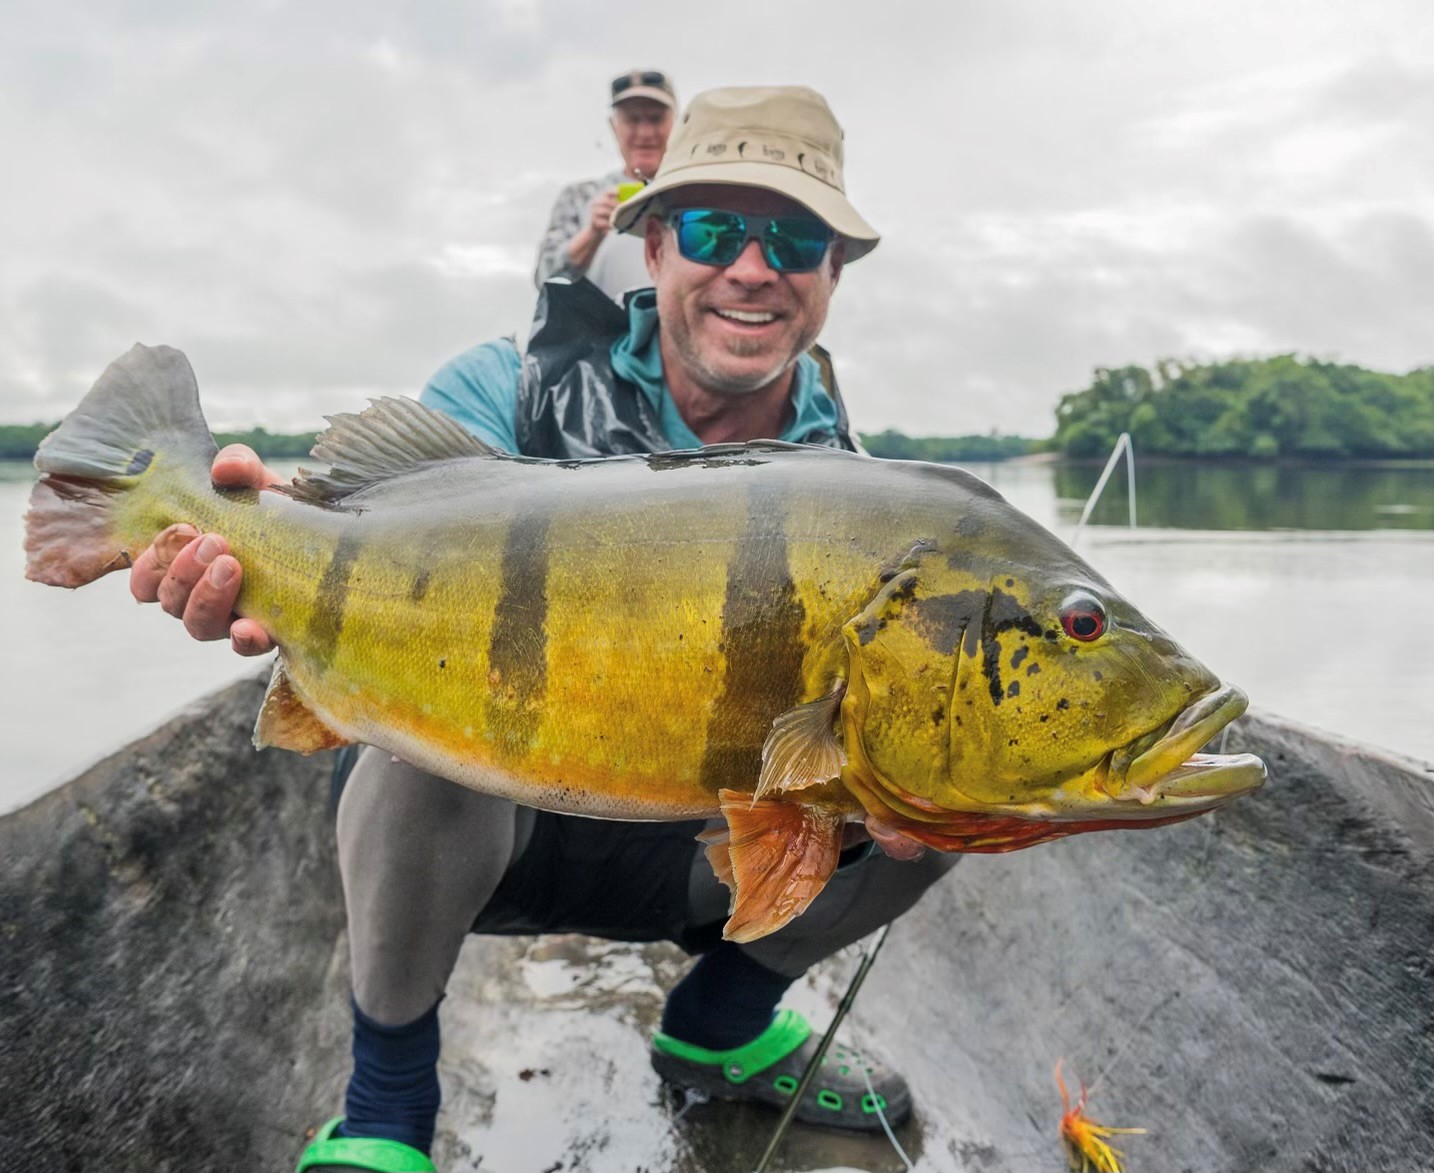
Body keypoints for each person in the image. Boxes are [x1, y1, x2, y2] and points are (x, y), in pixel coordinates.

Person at [132, 86, 959, 1173]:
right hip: (489, 843)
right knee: (431, 709)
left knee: (970, 770)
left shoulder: (863, 507)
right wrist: (258, 556)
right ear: (655, 246)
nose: (754, 269)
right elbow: (373, 521)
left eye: (795, 239)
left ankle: (718, 1025)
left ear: (832, 276)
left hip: (700, 858)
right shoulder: (504, 389)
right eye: (715, 230)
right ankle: (386, 1107)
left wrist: (886, 802)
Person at [532, 68, 676, 302]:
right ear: (613, 126)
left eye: (655, 119)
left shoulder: (695, 195)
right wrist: (591, 234)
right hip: (601, 338)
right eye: (633, 120)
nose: (645, 132)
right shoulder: (579, 196)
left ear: (676, 125)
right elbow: (546, 281)